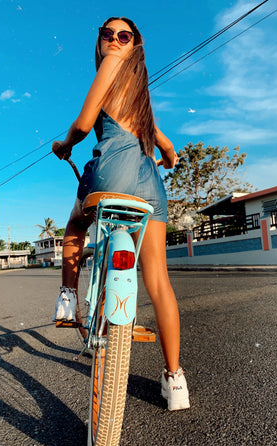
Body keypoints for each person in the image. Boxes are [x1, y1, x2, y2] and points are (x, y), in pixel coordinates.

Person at [52, 17, 189, 411]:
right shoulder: (140, 89)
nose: (114, 40)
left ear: (133, 45)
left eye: (123, 36)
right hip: (149, 184)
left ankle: (67, 297)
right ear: (100, 38)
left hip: (112, 172)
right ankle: (174, 378)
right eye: (107, 34)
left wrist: (65, 144)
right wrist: (169, 156)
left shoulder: (110, 66)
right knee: (159, 280)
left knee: (77, 223)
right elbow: (162, 140)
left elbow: (84, 123)